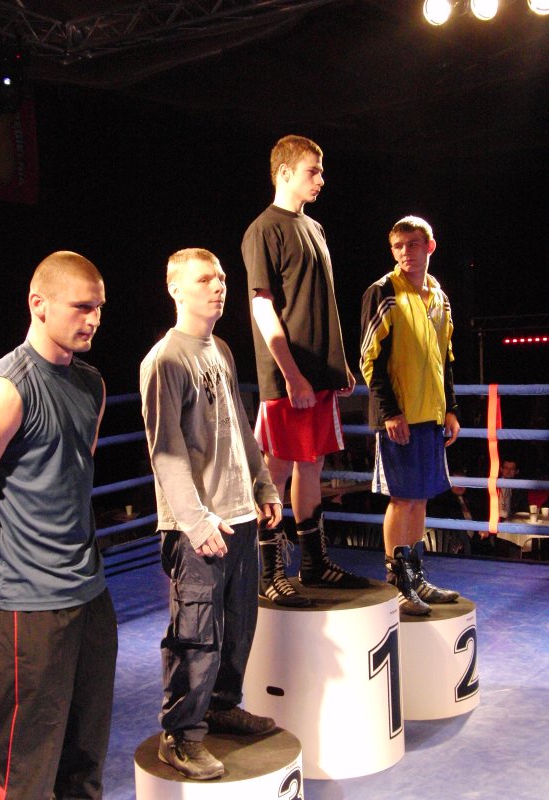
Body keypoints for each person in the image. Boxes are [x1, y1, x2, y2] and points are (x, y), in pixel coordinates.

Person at [0, 251, 117, 799]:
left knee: (83, 763)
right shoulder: (4, 388)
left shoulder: (91, 385)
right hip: (25, 607)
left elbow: (72, 481)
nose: (93, 319)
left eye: (99, 308)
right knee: (15, 774)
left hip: (89, 596)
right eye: (81, 307)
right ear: (38, 304)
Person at [140, 248, 281, 781]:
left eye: (221, 278)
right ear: (175, 288)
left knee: (238, 627)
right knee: (196, 634)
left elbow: (240, 426)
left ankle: (221, 707)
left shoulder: (219, 349)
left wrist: (263, 483)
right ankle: (180, 735)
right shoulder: (164, 360)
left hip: (239, 516)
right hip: (197, 527)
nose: (218, 287)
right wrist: (197, 522)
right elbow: (166, 452)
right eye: (205, 279)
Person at [241, 134, 369, 608]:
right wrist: (292, 375)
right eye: (312, 170)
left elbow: (319, 302)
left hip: (318, 374)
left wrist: (337, 365)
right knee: (273, 471)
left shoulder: (313, 227)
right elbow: (262, 307)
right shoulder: (263, 229)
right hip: (287, 378)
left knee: (312, 464)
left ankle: (314, 564)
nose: (321, 179)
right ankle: (269, 572)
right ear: (284, 172)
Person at [360, 215, 460, 616]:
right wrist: (389, 411)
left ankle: (415, 578)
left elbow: (445, 358)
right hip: (399, 416)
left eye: (412, 245)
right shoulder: (383, 291)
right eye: (398, 246)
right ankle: (397, 584)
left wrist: (450, 408)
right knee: (402, 499)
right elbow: (369, 358)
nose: (405, 253)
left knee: (419, 499)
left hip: (430, 415)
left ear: (429, 247)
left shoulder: (439, 297)